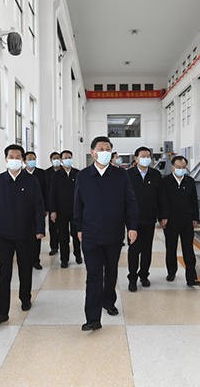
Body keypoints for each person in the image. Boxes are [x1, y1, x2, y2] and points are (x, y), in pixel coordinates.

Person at [74, 136, 139, 331]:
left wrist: (132, 227)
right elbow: (77, 205)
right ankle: (93, 318)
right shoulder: (83, 176)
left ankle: (108, 301)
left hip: (113, 233)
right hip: (90, 234)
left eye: (108, 149)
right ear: (93, 152)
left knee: (111, 271)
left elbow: (130, 202)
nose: (104, 152)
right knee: (93, 275)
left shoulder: (120, 175)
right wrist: (78, 228)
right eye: (101, 149)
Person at [0, 144, 45, 325]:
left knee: (25, 268)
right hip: (4, 234)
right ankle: (1, 312)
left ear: (23, 160)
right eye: (11, 157)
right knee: (4, 272)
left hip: (26, 233)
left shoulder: (31, 180)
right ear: (6, 159)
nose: (14, 160)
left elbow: (38, 206)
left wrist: (40, 229)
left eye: (18, 157)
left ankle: (25, 297)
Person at [126, 146, 168, 292]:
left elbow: (161, 196)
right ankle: (132, 278)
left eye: (148, 156)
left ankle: (144, 275)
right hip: (133, 219)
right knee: (134, 249)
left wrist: (163, 215)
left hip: (149, 218)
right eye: (142, 156)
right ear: (136, 159)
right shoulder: (128, 175)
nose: (146, 159)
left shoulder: (155, 175)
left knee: (146, 249)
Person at [161, 155, 200, 287]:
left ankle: (191, 277)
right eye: (178, 167)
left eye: (183, 167)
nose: (181, 169)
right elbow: (162, 201)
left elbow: (194, 200)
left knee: (188, 249)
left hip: (187, 221)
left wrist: (195, 218)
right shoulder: (165, 182)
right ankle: (171, 272)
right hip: (170, 221)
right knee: (171, 248)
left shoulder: (190, 181)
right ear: (172, 167)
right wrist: (162, 217)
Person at [49, 150, 81, 268]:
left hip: (75, 211)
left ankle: (78, 255)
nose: (68, 160)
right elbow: (52, 194)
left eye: (69, 157)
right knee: (63, 236)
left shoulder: (78, 174)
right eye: (65, 158)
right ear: (61, 161)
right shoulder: (55, 176)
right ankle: (64, 259)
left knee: (76, 234)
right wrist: (53, 211)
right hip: (61, 211)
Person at [23, 151, 48, 270]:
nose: (32, 161)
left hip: (38, 209)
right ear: (24, 161)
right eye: (29, 159)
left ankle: (35, 260)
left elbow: (45, 191)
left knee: (37, 236)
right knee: (25, 237)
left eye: (34, 159)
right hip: (24, 210)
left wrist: (46, 208)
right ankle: (26, 260)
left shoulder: (41, 173)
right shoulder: (21, 174)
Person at [45, 152, 62, 256]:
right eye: (54, 158)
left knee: (63, 228)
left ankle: (63, 245)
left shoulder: (64, 171)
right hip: (52, 204)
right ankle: (54, 247)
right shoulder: (46, 173)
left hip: (63, 204)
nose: (56, 160)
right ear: (51, 160)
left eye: (58, 158)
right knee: (53, 227)